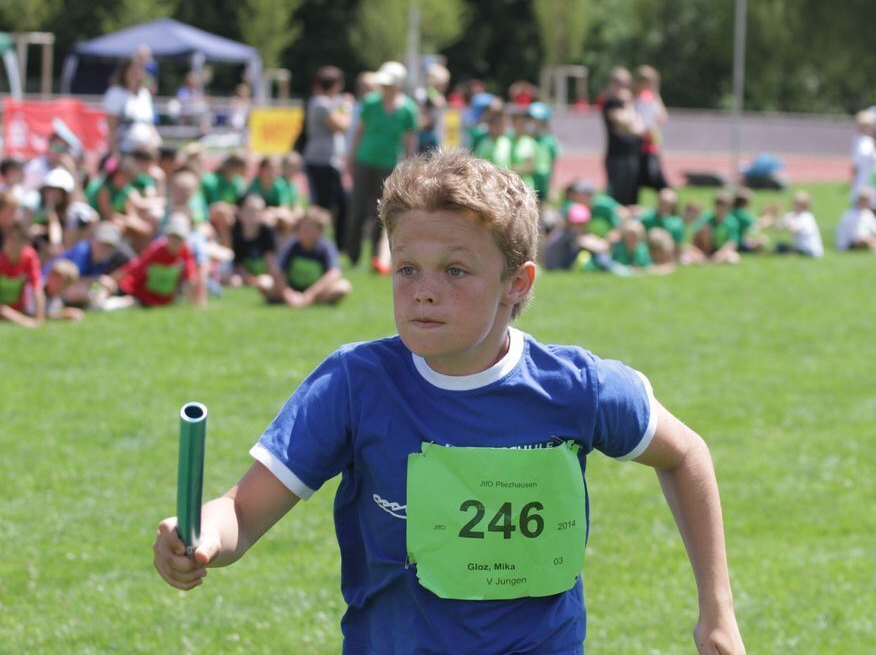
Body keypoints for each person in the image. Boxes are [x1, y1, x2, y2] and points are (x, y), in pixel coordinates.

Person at [152, 150, 746, 655]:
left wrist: (717, 613)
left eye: (456, 270)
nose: (424, 290)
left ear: (518, 284)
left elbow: (685, 453)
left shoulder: (576, 386)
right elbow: (244, 510)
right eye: (406, 268)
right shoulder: (355, 385)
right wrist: (201, 533)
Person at [345, 61, 418, 272]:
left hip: (388, 166)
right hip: (364, 160)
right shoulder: (370, 103)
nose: (385, 88)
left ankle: (377, 258)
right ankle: (352, 255)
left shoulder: (407, 109)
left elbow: (409, 141)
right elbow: (359, 132)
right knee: (357, 209)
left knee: (381, 212)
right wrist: (350, 158)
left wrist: (411, 167)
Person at [258, 209, 351, 307]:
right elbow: (277, 271)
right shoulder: (292, 245)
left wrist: (309, 295)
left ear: (319, 231)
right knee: (263, 282)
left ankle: (307, 302)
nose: (304, 230)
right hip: (291, 289)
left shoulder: (326, 247)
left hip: (316, 291)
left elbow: (334, 273)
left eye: (309, 227)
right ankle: (299, 302)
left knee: (343, 287)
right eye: (303, 226)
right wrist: (288, 295)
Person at [303, 67, 352, 245]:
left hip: (326, 160)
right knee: (325, 206)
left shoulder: (320, 101)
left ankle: (335, 242)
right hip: (321, 161)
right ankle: (321, 241)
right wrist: (346, 108)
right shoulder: (322, 103)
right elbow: (341, 125)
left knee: (338, 203)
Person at [117, 214, 203, 308]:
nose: (175, 242)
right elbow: (137, 267)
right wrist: (126, 286)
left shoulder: (185, 252)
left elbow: (191, 277)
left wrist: (195, 302)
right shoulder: (157, 249)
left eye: (179, 238)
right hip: (143, 295)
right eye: (173, 237)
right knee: (126, 302)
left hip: (165, 299)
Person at [52, 221, 136, 308]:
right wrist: (98, 279)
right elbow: (71, 280)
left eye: (109, 246)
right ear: (93, 240)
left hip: (79, 289)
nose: (105, 249)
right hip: (56, 288)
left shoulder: (104, 259)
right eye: (102, 244)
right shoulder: (82, 251)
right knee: (81, 292)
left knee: (102, 290)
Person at [602, 68, 645, 205]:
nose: (622, 87)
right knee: (616, 195)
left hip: (632, 154)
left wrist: (629, 112)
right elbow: (623, 123)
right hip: (616, 156)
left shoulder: (631, 103)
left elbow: (640, 128)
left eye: (625, 83)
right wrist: (629, 111)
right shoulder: (609, 103)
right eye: (619, 83)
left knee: (631, 195)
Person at [102, 57, 160, 155]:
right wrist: (116, 155)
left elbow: (149, 124)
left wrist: (157, 141)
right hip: (126, 150)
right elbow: (111, 129)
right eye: (133, 69)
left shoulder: (144, 94)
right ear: (124, 71)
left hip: (147, 150)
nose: (137, 73)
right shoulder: (115, 93)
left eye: (140, 69)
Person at [0, 222, 45, 328]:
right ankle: (27, 323)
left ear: (26, 243)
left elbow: (37, 287)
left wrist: (40, 317)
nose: (12, 243)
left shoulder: (29, 257)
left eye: (18, 240)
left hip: (20, 308)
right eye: (10, 239)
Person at [633, 65, 670, 193]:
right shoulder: (633, 98)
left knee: (656, 175)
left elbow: (662, 117)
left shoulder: (652, 98)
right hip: (637, 142)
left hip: (652, 142)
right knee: (636, 179)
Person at [229, 194, 278, 288]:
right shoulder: (236, 231)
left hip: (263, 274)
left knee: (266, 282)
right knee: (235, 281)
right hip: (243, 275)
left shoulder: (267, 232)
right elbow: (238, 263)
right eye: (248, 211)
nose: (252, 215)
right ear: (240, 212)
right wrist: (250, 279)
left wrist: (265, 276)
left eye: (257, 212)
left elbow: (270, 260)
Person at [835, 188, 876, 253]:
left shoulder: (867, 213)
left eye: (867, 200)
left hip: (863, 240)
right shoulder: (851, 215)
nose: (866, 202)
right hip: (847, 245)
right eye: (863, 199)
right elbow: (855, 237)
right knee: (873, 240)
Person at [690, 191, 741, 264]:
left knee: (733, 260)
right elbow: (695, 238)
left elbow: (732, 242)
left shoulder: (732, 222)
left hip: (721, 250)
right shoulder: (706, 218)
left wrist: (720, 254)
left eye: (727, 206)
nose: (724, 208)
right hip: (703, 250)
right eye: (721, 205)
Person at [774, 191, 823, 258]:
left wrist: (786, 221)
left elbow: (794, 230)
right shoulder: (791, 215)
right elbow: (777, 228)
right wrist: (778, 215)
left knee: (784, 250)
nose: (795, 206)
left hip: (810, 250)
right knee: (779, 246)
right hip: (799, 248)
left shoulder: (807, 217)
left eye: (798, 204)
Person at [529, 102, 559, 204]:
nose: (534, 123)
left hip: (543, 181)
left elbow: (553, 164)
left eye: (538, 121)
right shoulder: (526, 139)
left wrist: (552, 187)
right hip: (529, 179)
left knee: (541, 209)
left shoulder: (549, 141)